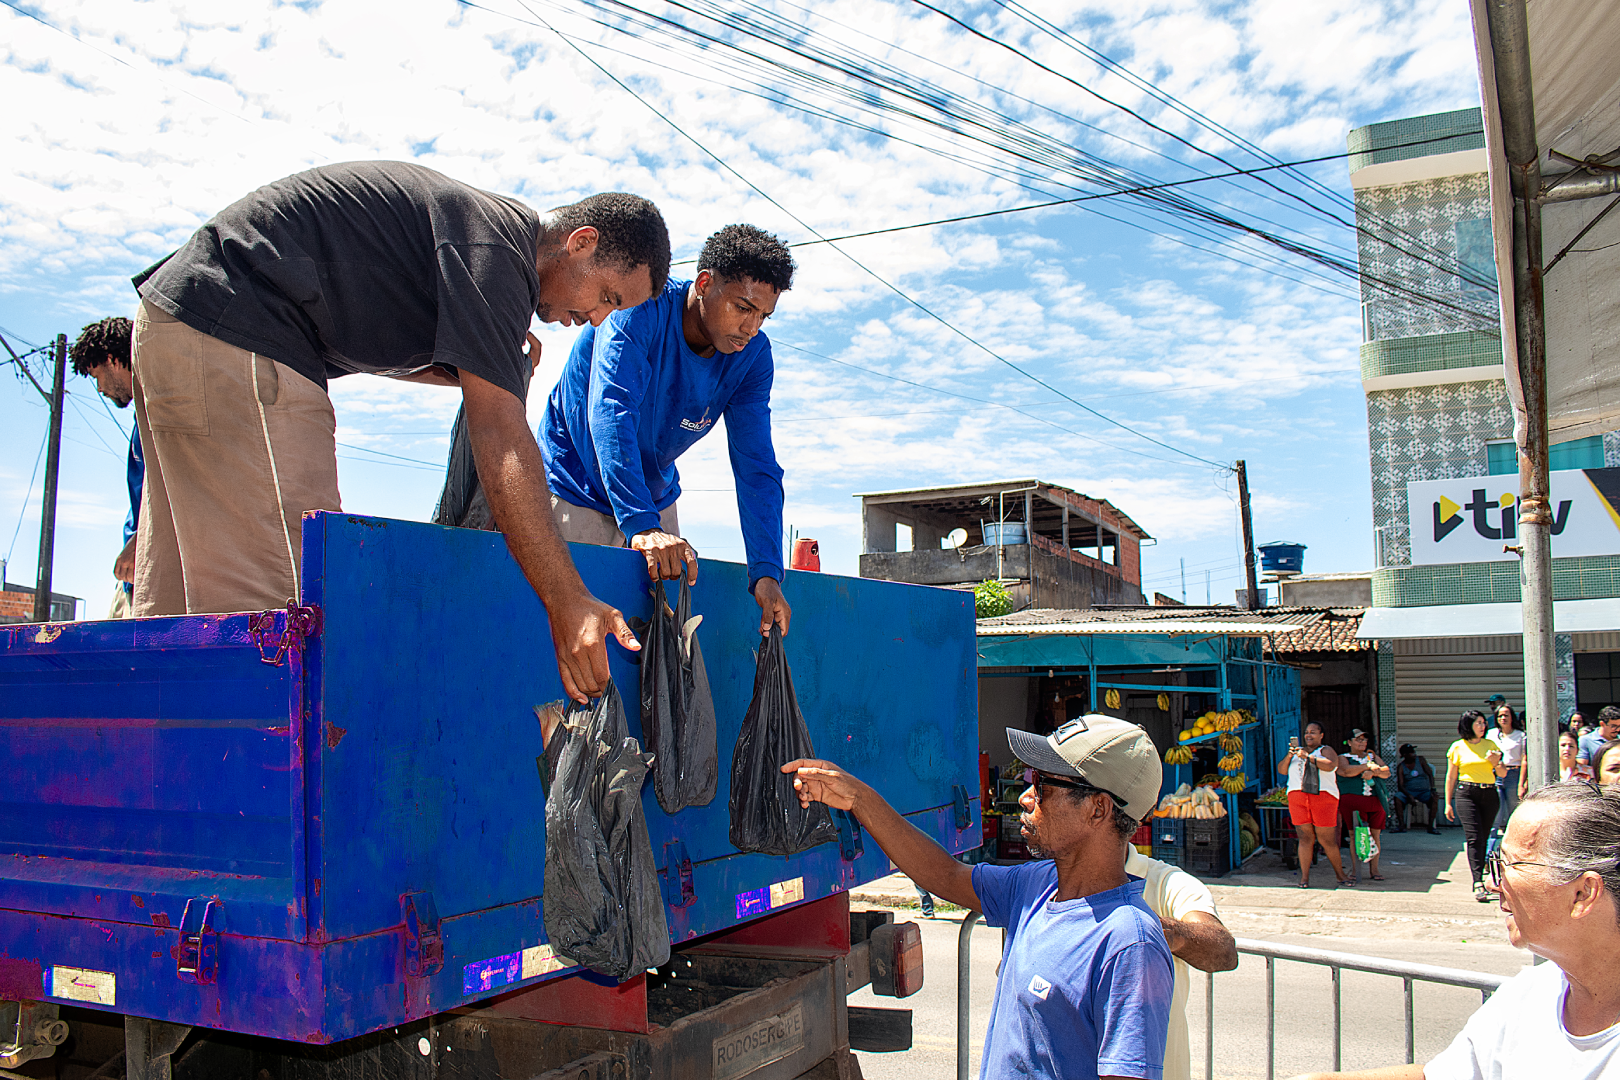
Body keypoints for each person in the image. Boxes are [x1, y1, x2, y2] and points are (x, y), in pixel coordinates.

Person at [129, 162, 670, 702]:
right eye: (608, 296)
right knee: (286, 622)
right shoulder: (502, 253)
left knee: (170, 619)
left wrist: (466, 364)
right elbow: (499, 432)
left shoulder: (481, 238)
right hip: (242, 331)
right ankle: (259, 783)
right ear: (580, 243)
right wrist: (568, 600)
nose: (597, 318)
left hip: (178, 319)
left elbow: (371, 321)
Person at [782, 716, 1174, 1079]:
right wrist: (858, 798)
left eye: (1043, 785)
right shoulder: (1036, 886)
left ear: (1098, 809)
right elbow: (944, 874)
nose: (1025, 797)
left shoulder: (1128, 943)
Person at [539, 225, 795, 637]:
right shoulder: (639, 309)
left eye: (763, 316)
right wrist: (642, 526)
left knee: (662, 658)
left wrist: (766, 572)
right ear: (705, 283)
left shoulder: (752, 359)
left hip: (652, 497)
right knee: (574, 645)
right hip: (575, 487)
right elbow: (611, 412)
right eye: (743, 307)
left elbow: (757, 465)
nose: (752, 327)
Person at [1285, 781, 1620, 1080]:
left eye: (1509, 866)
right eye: (1494, 865)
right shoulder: (1529, 993)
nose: (1492, 884)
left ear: (1582, 894)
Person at [1125, 843, 1238, 1080]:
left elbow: (1222, 949)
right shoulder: (1041, 882)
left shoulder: (1167, 882)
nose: (1026, 803)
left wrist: (1151, 929)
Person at [68, 317, 142, 619]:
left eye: (97, 376)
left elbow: (172, 488)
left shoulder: (157, 412)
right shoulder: (142, 418)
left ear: (112, 360)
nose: (100, 389)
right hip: (132, 573)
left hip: (142, 562)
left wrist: (141, 539)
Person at [1277, 721, 1352, 888]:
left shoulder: (1325, 750)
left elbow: (1331, 765)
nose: (1308, 735)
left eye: (1313, 732)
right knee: (1304, 838)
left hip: (1322, 797)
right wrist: (1290, 755)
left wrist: (1308, 757)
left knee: (1327, 839)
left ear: (1321, 735)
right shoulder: (1297, 753)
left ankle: (1340, 875)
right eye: (1306, 732)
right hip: (1298, 797)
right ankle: (1304, 878)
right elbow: (1282, 770)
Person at [1446, 710, 1507, 902]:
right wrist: (1447, 803)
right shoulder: (1457, 747)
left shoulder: (1491, 745)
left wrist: (1496, 764)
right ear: (1468, 725)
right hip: (1466, 793)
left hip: (1489, 793)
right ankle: (1477, 881)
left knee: (1484, 836)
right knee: (1473, 837)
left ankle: (1484, 873)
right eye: (1478, 723)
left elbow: (1503, 773)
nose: (1482, 726)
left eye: (1483, 723)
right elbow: (1451, 776)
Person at [1336, 729, 1390, 882]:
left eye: (1364, 739)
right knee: (1355, 835)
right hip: (1354, 802)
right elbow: (1345, 771)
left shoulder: (1372, 757)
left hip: (1374, 800)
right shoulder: (1343, 758)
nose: (1362, 742)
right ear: (1349, 742)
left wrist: (1375, 772)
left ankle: (1374, 870)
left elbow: (1386, 772)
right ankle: (1355, 870)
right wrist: (1368, 767)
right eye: (1358, 739)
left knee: (1376, 835)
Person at [1490, 705, 1528, 843]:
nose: (1503, 718)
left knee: (1514, 812)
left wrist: (1521, 783)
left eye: (1506, 715)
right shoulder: (1491, 734)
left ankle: (1514, 843)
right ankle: (1490, 851)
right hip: (1496, 775)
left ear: (1512, 717)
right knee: (1495, 812)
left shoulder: (1521, 735)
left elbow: (1525, 759)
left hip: (1514, 774)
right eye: (1500, 715)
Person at [1389, 743, 1440, 834]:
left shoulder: (1421, 760)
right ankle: (1401, 825)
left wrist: (1433, 789)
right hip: (1409, 792)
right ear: (1405, 755)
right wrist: (1409, 795)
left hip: (1424, 792)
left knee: (1434, 798)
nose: (1414, 754)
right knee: (1397, 797)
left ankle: (1431, 826)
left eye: (1413, 752)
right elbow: (1400, 785)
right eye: (1411, 753)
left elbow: (1430, 775)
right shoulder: (1401, 767)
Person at [1576, 705, 1620, 769]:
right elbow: (1581, 767)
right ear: (1602, 724)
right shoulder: (1586, 740)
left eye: (1619, 726)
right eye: (1613, 726)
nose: (1618, 729)